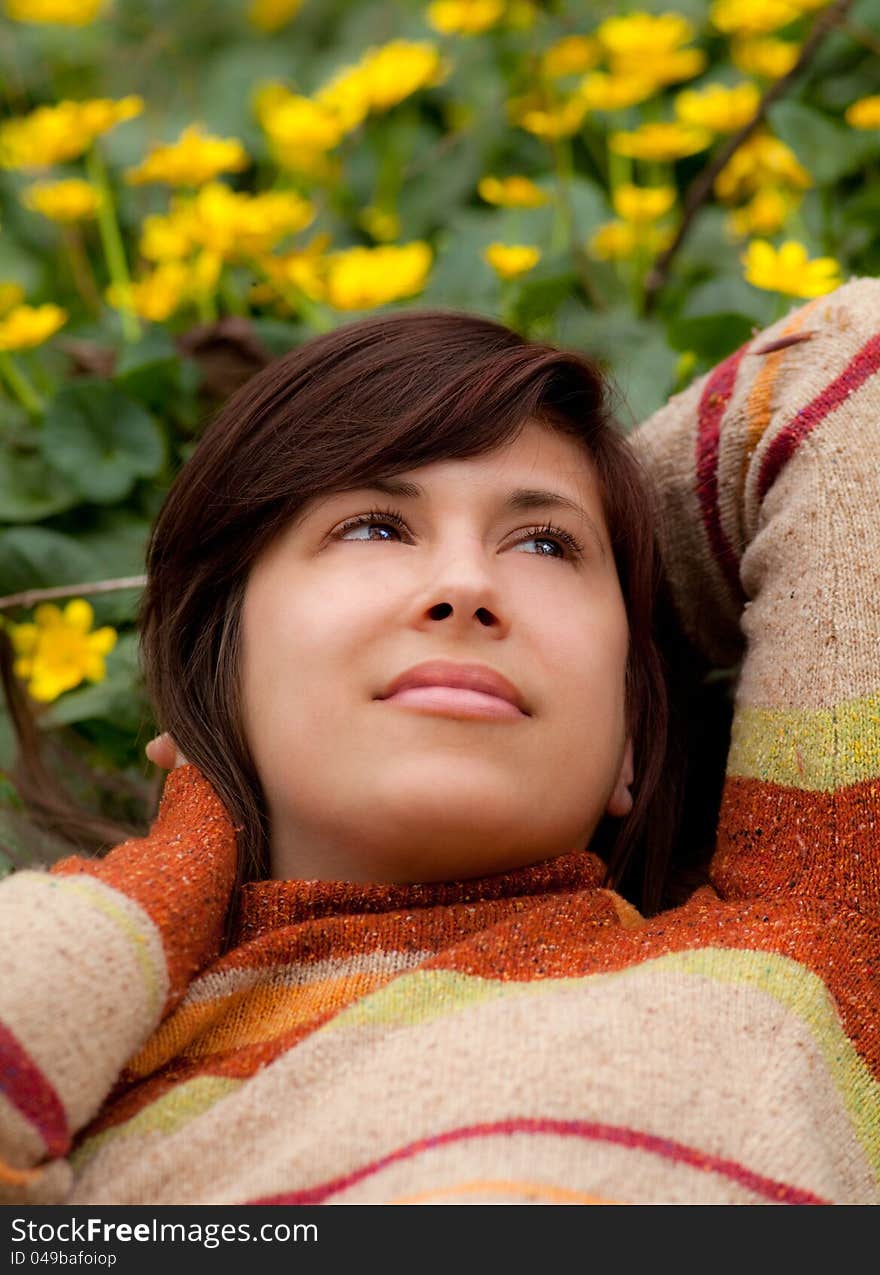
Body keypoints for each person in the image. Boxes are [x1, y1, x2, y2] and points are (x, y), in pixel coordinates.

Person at [0, 278, 878, 1205]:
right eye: (375, 525)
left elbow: (849, 364)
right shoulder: (86, 1129)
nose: (466, 585)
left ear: (628, 739)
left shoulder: (814, 950)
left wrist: (626, 563)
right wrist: (154, 892)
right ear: (214, 676)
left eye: (544, 546)